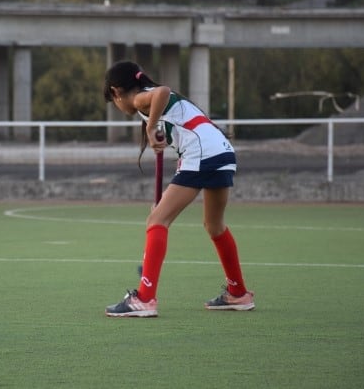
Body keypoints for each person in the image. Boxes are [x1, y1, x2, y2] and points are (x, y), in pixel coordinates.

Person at [103, 60, 254, 317]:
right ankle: (238, 293)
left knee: (157, 220)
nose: (118, 106)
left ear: (117, 92)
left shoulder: (140, 99)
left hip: (202, 153)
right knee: (214, 225)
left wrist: (150, 128)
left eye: (113, 100)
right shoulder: (160, 105)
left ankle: (144, 299)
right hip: (222, 152)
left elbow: (162, 90)